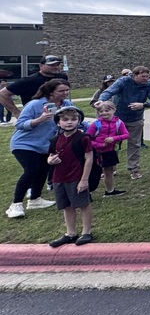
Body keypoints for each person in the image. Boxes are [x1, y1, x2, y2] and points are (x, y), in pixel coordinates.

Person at [5, 78, 73, 218]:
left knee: (43, 170)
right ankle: (15, 205)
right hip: (24, 144)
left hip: (45, 145)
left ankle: (35, 199)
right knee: (31, 170)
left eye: (67, 90)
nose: (65, 93)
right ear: (50, 92)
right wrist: (40, 119)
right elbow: (20, 124)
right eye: (61, 91)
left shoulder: (66, 105)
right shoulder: (35, 104)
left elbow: (75, 121)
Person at [95, 66, 150, 180]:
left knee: (134, 144)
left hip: (136, 119)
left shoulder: (149, 84)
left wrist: (143, 105)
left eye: (147, 76)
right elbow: (109, 91)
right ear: (135, 75)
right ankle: (109, 169)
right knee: (110, 143)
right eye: (143, 76)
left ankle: (134, 169)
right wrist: (102, 100)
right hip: (117, 119)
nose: (146, 79)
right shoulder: (123, 81)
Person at [45, 106, 95, 247]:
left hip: (76, 176)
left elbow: (89, 158)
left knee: (83, 204)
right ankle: (70, 233)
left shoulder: (83, 138)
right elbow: (50, 155)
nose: (69, 122)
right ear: (58, 122)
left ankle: (86, 232)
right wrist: (50, 160)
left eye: (74, 119)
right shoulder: (55, 139)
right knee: (66, 206)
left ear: (79, 121)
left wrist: (84, 179)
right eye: (65, 119)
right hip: (59, 177)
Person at [0, 55, 68, 122]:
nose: (56, 67)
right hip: (35, 117)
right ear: (41, 66)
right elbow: (2, 94)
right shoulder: (28, 80)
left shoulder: (62, 78)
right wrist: (16, 112)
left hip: (58, 115)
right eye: (52, 65)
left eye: (57, 65)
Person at [85, 101, 129, 196]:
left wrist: (113, 138)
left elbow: (126, 134)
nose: (104, 113)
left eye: (107, 110)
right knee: (93, 172)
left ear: (114, 110)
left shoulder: (118, 122)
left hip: (109, 151)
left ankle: (110, 190)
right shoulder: (96, 124)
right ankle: (87, 192)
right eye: (101, 111)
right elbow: (87, 138)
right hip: (95, 152)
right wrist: (99, 145)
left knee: (109, 171)